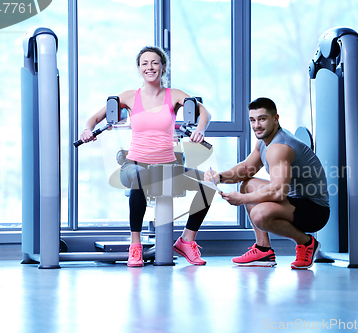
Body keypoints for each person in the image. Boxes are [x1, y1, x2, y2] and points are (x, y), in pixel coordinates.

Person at [80, 46, 215, 267]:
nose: (149, 67)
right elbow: (93, 119)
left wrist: (200, 129)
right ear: (139, 68)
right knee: (141, 176)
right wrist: (87, 130)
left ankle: (186, 240)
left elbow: (205, 113)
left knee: (207, 184)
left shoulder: (175, 95)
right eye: (144, 63)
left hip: (167, 167)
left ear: (163, 67)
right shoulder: (130, 97)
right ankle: (136, 246)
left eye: (154, 63)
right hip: (134, 165)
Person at [205, 97, 329, 269]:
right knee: (247, 184)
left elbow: (279, 192)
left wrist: (241, 199)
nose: (257, 125)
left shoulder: (279, 147)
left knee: (259, 214)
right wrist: (219, 177)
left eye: (262, 119)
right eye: (252, 120)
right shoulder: (264, 142)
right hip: (294, 201)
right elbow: (246, 169)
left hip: (314, 210)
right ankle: (263, 250)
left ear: (275, 119)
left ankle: (307, 243)